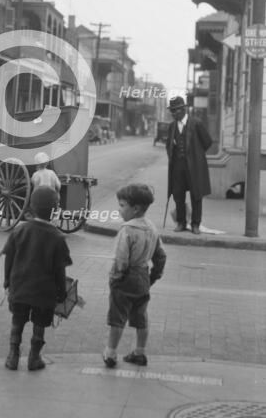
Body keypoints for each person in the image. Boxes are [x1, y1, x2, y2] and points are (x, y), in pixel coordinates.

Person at [0, 186, 72, 371]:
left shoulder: (19, 231)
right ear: (54, 210)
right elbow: (59, 270)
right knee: (40, 323)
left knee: (18, 320)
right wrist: (61, 292)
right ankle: (34, 358)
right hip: (44, 292)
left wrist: (7, 281)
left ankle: (13, 356)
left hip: (20, 287)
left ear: (31, 207)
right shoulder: (57, 238)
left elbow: (9, 259)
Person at [103, 184, 166, 369]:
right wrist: (154, 276)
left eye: (122, 205)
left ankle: (111, 353)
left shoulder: (127, 230)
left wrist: (115, 277)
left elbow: (121, 259)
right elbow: (160, 255)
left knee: (117, 317)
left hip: (126, 278)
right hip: (143, 277)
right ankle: (140, 352)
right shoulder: (152, 228)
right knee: (141, 316)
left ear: (135, 208)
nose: (119, 209)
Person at [166, 96, 212, 235]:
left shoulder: (196, 123)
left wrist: (196, 154)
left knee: (196, 195)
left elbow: (207, 142)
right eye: (172, 111)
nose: (173, 113)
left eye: (176, 110)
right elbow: (168, 145)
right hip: (177, 167)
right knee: (178, 195)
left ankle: (195, 224)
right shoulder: (172, 126)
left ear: (183, 109)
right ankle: (181, 222)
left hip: (195, 167)